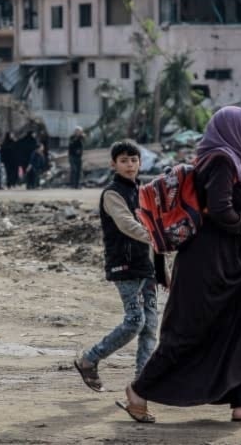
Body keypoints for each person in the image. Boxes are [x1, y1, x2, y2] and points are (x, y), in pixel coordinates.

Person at [116, 106, 241, 424]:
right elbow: (220, 209)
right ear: (232, 128)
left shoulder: (224, 158)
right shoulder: (221, 159)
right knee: (188, 331)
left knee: (234, 328)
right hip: (209, 263)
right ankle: (138, 390)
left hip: (226, 263)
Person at [74, 139, 166, 392]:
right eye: (124, 160)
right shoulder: (112, 193)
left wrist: (162, 266)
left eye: (134, 160)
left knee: (150, 327)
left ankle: (141, 384)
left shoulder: (143, 192)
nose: (130, 165)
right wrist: (158, 237)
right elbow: (126, 224)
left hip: (146, 267)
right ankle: (89, 359)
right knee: (135, 321)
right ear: (113, 164)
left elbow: (156, 223)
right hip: (124, 266)